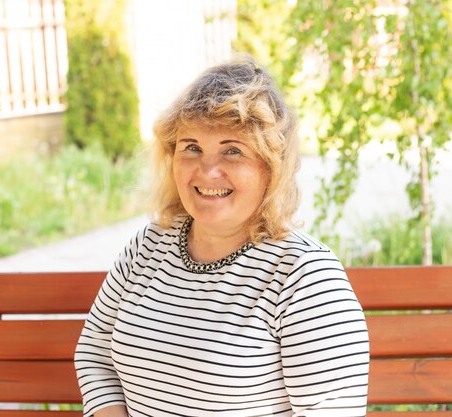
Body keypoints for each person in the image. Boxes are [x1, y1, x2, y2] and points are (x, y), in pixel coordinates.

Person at [75, 55, 369, 417]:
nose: (208, 170)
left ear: (271, 167)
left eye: (233, 151)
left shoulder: (305, 275)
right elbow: (94, 355)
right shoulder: (148, 246)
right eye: (192, 147)